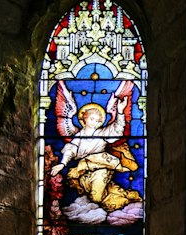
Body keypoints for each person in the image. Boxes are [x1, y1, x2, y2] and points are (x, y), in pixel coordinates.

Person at [51, 77, 143, 214]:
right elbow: (70, 151)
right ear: (84, 118)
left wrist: (121, 112)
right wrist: (62, 164)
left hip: (101, 167)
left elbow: (117, 130)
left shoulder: (104, 133)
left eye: (98, 120)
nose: (95, 122)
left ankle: (124, 200)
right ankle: (127, 196)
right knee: (96, 198)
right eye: (92, 119)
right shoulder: (78, 136)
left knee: (97, 196)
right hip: (84, 172)